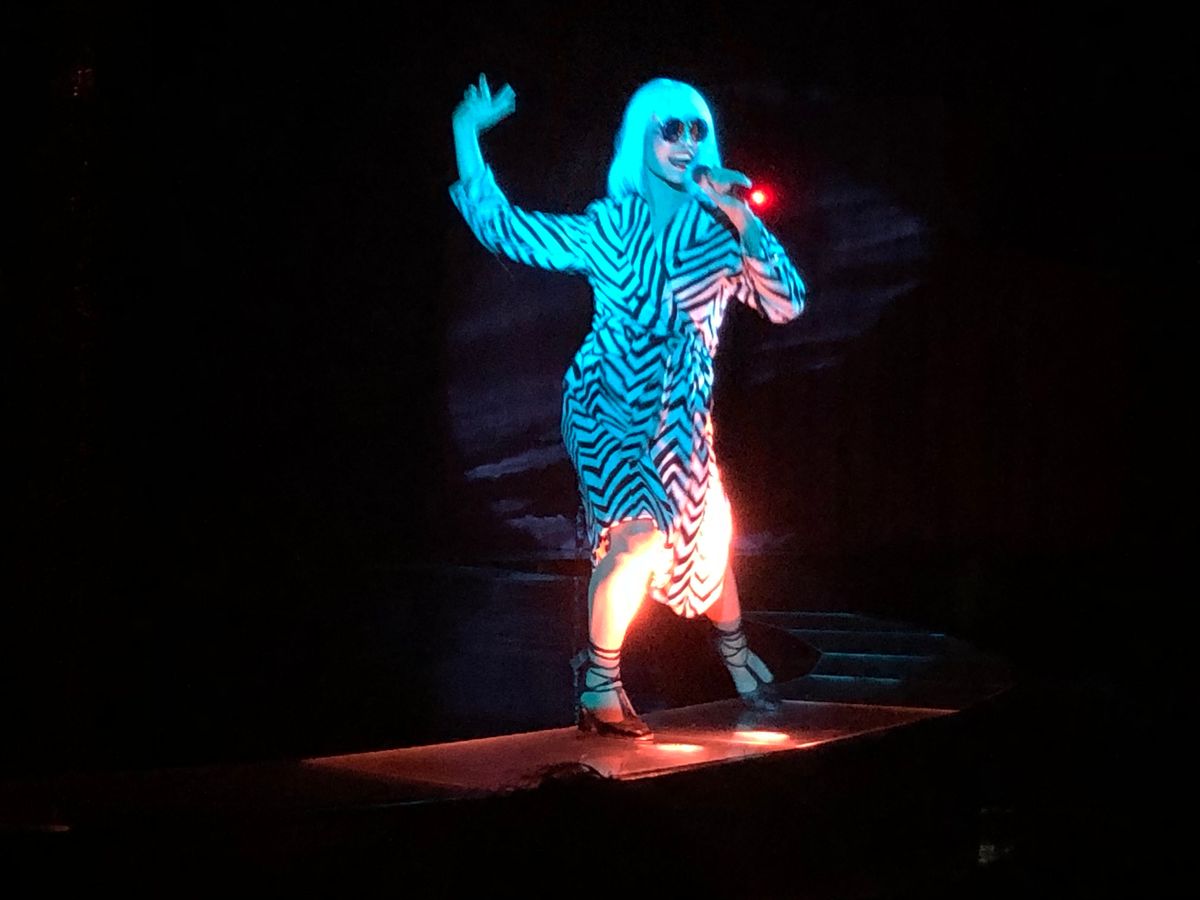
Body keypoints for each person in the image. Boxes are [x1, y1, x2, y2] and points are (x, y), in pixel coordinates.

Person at [450, 74, 806, 739]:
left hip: (680, 425)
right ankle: (600, 687)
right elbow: (506, 229)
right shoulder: (612, 226)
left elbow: (786, 304)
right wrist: (466, 133)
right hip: (605, 404)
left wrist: (744, 219)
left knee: (706, 544)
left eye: (696, 129)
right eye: (669, 129)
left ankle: (734, 654)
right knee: (638, 536)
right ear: (642, 138)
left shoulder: (718, 238)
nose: (684, 142)